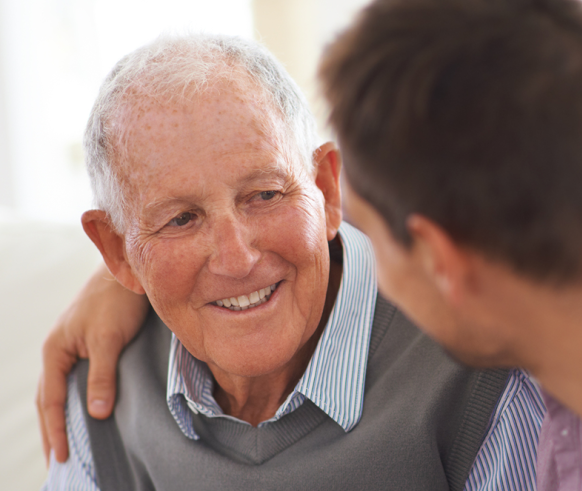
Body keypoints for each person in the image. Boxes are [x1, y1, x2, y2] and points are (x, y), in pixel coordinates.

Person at [39, 0, 582, 491]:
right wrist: (134, 269)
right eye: (182, 219)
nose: (340, 241)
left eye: (364, 225)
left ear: (443, 263)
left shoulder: (504, 388)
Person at [40, 33, 544, 490]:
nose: (237, 259)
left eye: (264, 194)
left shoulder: (480, 365)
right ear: (117, 251)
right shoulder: (103, 386)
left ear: (326, 190)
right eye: (181, 219)